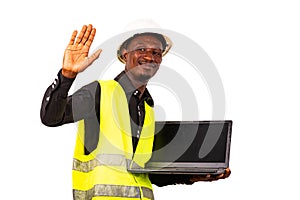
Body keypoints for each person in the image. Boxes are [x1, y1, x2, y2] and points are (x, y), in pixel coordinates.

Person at [40, 24, 230, 200]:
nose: (149, 56)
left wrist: (193, 177)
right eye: (141, 49)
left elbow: (146, 173)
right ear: (125, 54)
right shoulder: (99, 92)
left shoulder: (147, 109)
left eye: (156, 52)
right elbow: (51, 118)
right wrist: (67, 75)